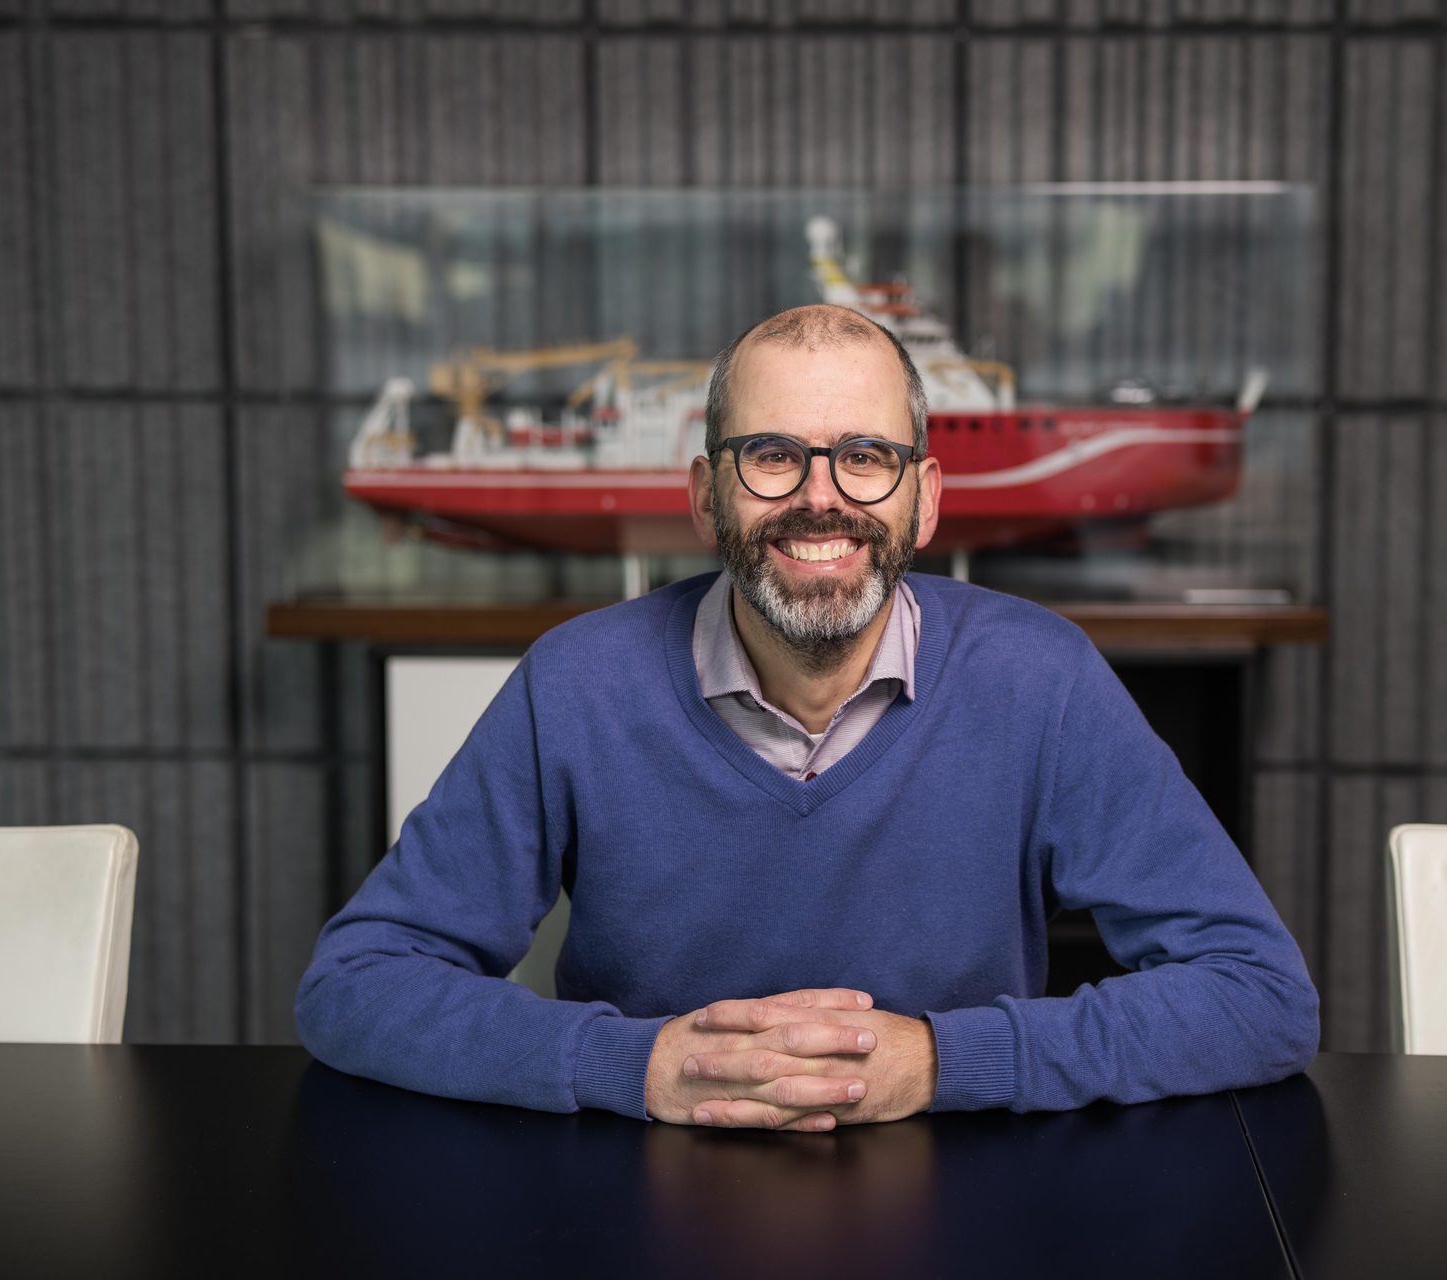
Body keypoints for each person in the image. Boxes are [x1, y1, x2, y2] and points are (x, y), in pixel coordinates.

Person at [296, 304, 1319, 1132]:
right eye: (773, 455)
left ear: (923, 498)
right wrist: (641, 1063)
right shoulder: (575, 684)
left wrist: (937, 1061)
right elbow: (355, 984)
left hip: (964, 1212)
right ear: (706, 497)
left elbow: (1261, 995)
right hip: (633, 1210)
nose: (820, 499)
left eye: (865, 455)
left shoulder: (1041, 681)